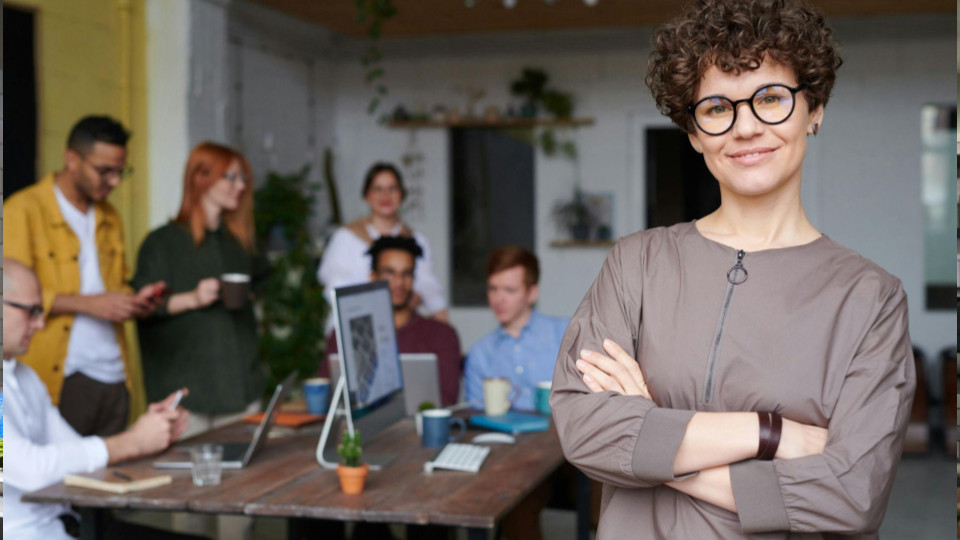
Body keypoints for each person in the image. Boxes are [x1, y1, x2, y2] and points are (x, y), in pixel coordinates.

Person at [551, 1, 915, 538]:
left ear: (815, 110)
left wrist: (649, 437)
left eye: (770, 98)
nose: (745, 127)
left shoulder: (870, 297)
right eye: (718, 107)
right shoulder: (636, 264)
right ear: (695, 132)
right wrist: (770, 434)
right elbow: (585, 432)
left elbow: (850, 496)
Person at [2, 258, 196, 540]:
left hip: (69, 525)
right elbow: (30, 469)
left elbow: (77, 451)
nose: (41, 323)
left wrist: (148, 432)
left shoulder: (25, 377)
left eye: (41, 311)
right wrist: (133, 442)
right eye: (31, 311)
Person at [3, 115, 166, 437]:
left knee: (114, 476)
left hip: (115, 374)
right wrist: (90, 305)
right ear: (72, 160)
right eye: (105, 171)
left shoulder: (110, 216)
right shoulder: (22, 210)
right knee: (62, 479)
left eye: (121, 171)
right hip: (62, 375)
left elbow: (113, 286)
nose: (115, 182)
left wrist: (134, 302)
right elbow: (11, 297)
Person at [131, 142, 267, 437]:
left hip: (242, 387)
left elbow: (263, 282)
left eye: (243, 178)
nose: (240, 186)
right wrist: (193, 298)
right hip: (188, 396)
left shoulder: (240, 243)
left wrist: (248, 295)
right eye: (230, 177)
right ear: (200, 178)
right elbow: (141, 306)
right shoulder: (162, 242)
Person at [322, 236, 462, 406]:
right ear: (373, 277)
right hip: (361, 429)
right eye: (390, 273)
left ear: (413, 279)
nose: (398, 283)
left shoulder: (442, 335)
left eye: (406, 274)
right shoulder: (344, 334)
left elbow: (447, 400)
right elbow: (325, 396)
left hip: (417, 429)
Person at [318, 162, 448, 328]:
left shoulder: (416, 241)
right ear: (367, 196)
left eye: (392, 188)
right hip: (351, 325)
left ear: (402, 194)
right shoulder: (346, 237)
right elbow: (334, 288)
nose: (385, 195)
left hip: (400, 329)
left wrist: (444, 329)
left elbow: (430, 290)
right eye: (377, 189)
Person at [464, 246, 569, 412]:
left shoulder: (565, 334)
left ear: (532, 293)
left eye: (509, 290)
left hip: (560, 436)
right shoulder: (480, 352)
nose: (499, 299)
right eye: (493, 289)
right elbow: (476, 416)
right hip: (501, 437)